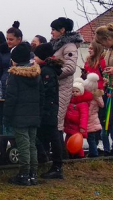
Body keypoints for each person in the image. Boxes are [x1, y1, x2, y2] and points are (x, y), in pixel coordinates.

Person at [4, 42, 41, 186]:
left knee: (23, 145)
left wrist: (7, 116)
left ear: (16, 59)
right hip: (34, 114)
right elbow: (41, 95)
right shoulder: (36, 74)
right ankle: (33, 174)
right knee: (32, 144)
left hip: (19, 115)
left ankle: (24, 174)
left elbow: (11, 97)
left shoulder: (15, 75)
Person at [50, 17, 83, 157]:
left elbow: (69, 68)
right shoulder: (58, 45)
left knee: (57, 123)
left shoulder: (69, 46)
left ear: (62, 30)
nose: (51, 32)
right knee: (53, 121)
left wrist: (51, 75)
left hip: (62, 88)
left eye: (53, 29)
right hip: (55, 87)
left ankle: (60, 158)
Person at [33, 43, 65, 179]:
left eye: (36, 55)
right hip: (48, 108)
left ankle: (57, 166)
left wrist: (44, 108)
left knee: (53, 135)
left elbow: (46, 92)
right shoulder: (46, 70)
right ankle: (46, 159)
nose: (34, 58)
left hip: (48, 109)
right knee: (45, 134)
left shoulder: (47, 72)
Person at [94, 25, 113, 156]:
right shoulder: (110, 50)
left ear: (107, 39)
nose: (104, 47)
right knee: (109, 120)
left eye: (103, 43)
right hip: (110, 89)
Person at [65, 80, 90, 159]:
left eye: (77, 91)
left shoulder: (83, 104)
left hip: (77, 128)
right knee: (67, 142)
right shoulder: (70, 102)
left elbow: (84, 117)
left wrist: (82, 127)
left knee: (77, 143)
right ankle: (70, 154)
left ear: (81, 92)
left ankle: (80, 156)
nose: (74, 93)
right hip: (69, 127)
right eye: (73, 91)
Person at [81, 74, 104, 157]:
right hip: (94, 119)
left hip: (90, 120)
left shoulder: (89, 97)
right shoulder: (97, 95)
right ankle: (93, 152)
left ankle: (94, 154)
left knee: (91, 139)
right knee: (92, 138)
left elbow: (88, 111)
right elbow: (102, 104)